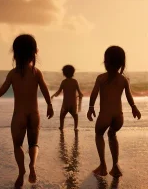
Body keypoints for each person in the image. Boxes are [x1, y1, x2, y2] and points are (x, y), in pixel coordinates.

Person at [0, 34, 54, 188]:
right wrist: (49, 105)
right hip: (34, 115)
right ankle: (32, 166)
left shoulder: (13, 74)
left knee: (18, 146)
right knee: (34, 144)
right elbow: (45, 90)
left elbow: (0, 92)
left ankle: (21, 172)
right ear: (35, 52)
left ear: (15, 53)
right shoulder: (36, 72)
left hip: (18, 115)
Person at [87, 46, 141, 177]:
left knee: (99, 135)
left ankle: (103, 165)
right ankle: (115, 166)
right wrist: (134, 107)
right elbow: (129, 96)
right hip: (118, 117)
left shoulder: (101, 78)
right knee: (112, 135)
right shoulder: (123, 80)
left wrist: (91, 108)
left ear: (105, 62)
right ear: (122, 63)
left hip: (104, 116)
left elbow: (94, 94)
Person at [51, 65, 83, 130]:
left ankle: (61, 127)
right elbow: (80, 92)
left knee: (62, 116)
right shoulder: (75, 81)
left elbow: (58, 91)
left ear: (64, 73)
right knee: (75, 116)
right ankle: (75, 127)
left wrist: (53, 95)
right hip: (73, 104)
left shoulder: (64, 82)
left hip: (65, 104)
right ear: (73, 73)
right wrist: (80, 97)